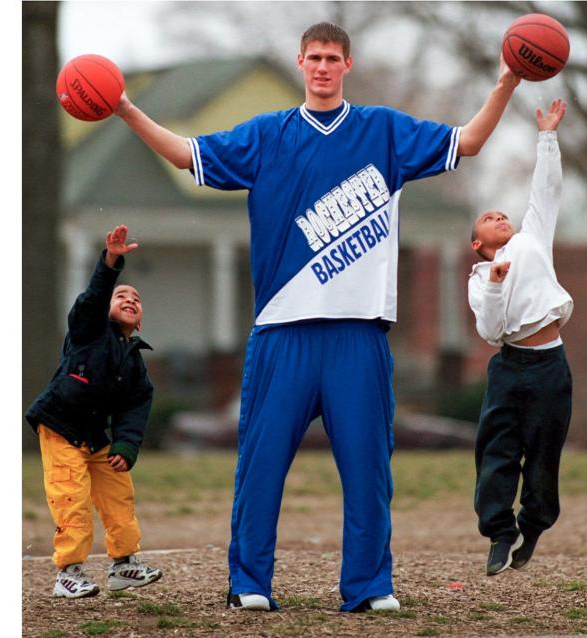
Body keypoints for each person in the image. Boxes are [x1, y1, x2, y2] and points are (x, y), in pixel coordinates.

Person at [114, 22, 520, 612]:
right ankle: (249, 585)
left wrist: (507, 81)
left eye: (333, 58)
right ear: (300, 63)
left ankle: (369, 588)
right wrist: (126, 108)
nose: (323, 67)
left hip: (359, 332)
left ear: (347, 65)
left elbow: (472, 141)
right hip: (283, 332)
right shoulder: (267, 135)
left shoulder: (383, 131)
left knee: (368, 475)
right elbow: (186, 155)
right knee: (260, 469)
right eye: (314, 58)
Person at [25, 224, 162, 598]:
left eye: (136, 298)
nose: (130, 299)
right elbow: (92, 298)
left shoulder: (135, 364)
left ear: (141, 321)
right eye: (121, 295)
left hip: (95, 436)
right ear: (106, 307)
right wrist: (111, 263)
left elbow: (136, 407)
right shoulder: (89, 330)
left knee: (120, 495)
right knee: (72, 497)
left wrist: (126, 446)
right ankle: (68, 573)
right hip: (59, 425)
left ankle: (124, 566)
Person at [466, 99, 573, 576]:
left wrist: (547, 136)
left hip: (550, 364)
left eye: (501, 214)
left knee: (544, 452)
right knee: (496, 451)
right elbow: (489, 332)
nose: (498, 216)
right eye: (488, 218)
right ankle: (499, 533)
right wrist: (494, 282)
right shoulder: (480, 277)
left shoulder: (532, 239)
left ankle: (532, 525)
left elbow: (545, 191)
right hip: (510, 367)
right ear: (477, 243)